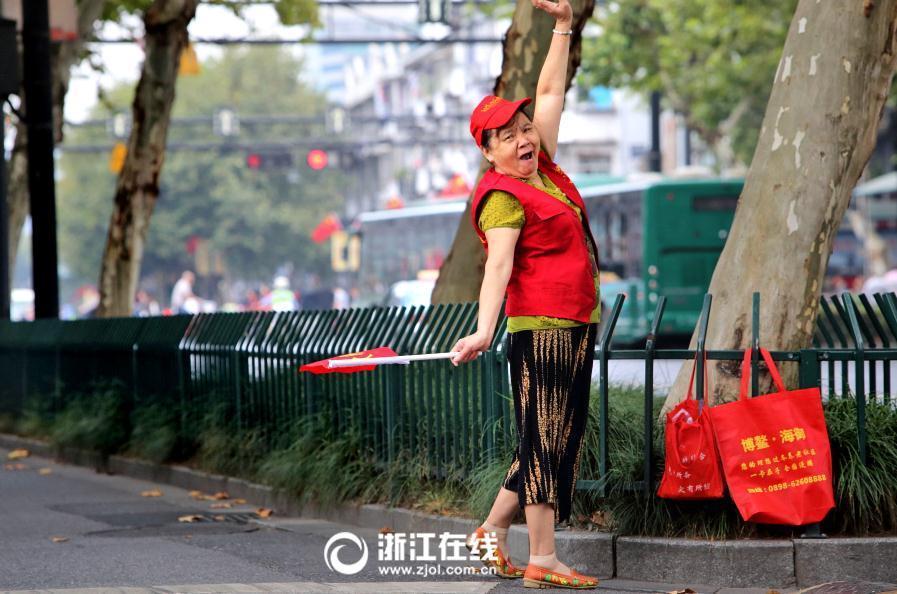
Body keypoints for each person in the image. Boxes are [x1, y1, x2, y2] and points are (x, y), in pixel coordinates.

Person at [451, 0, 602, 588]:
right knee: (544, 445)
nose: (522, 137)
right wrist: (485, 329)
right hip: (539, 329)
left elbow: (551, 94)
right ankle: (543, 558)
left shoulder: (548, 173)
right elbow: (498, 268)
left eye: (523, 129)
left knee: (551, 438)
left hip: (574, 324)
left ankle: (490, 532)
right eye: (506, 136)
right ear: (487, 151)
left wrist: (563, 26)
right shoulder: (503, 196)